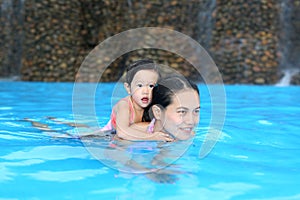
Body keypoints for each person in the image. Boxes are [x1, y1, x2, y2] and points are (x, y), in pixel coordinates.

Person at [98, 59, 173, 141]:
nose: (145, 91)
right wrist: (153, 137)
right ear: (128, 88)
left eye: (151, 86)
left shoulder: (155, 106)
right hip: (107, 135)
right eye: (140, 85)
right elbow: (122, 132)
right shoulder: (124, 105)